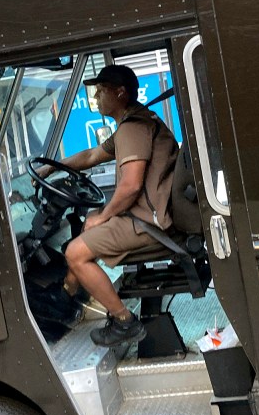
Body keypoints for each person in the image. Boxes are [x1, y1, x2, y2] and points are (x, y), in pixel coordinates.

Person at [37, 65, 178, 347]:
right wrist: (52, 168)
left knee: (75, 252)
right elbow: (92, 155)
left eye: (101, 91)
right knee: (88, 221)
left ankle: (124, 321)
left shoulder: (133, 129)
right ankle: (67, 293)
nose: (97, 97)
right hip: (149, 216)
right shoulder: (134, 122)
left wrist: (104, 216)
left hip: (149, 223)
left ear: (121, 93)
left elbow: (131, 186)